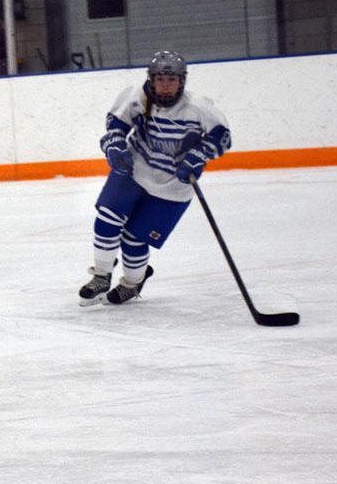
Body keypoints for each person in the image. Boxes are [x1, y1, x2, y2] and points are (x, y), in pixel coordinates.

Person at [78, 50, 232, 306]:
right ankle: (102, 275)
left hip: (173, 187)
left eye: (172, 80)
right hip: (134, 169)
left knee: (133, 239)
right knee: (107, 216)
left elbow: (222, 137)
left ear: (182, 81)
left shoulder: (198, 108)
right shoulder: (136, 97)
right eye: (160, 79)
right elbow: (116, 123)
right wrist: (115, 145)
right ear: (151, 79)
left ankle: (132, 282)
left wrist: (198, 156)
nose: (166, 85)